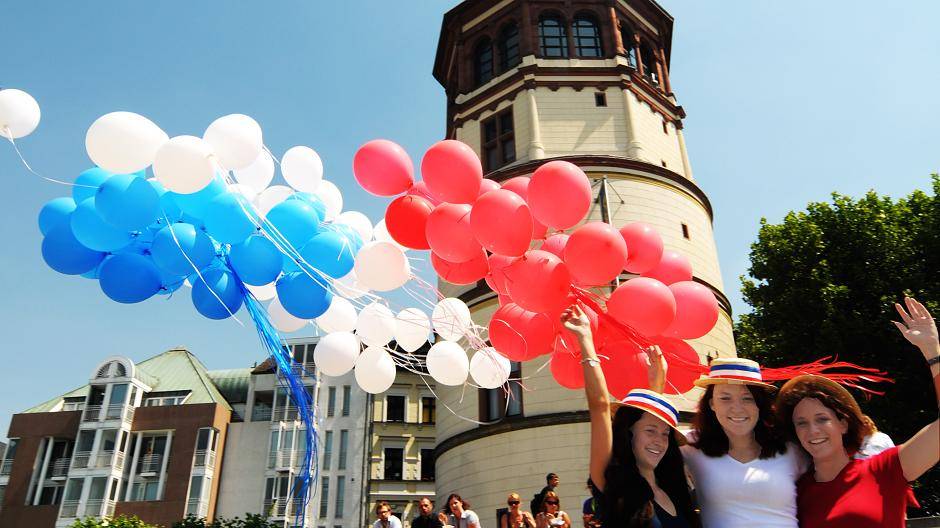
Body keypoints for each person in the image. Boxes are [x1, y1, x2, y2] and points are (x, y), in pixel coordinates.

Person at [775, 296, 939, 528]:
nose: (812, 430)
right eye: (801, 423)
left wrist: (933, 351)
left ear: (843, 423)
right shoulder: (796, 493)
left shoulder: (886, 469)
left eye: (822, 419)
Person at [562, 305, 699, 527]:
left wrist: (657, 386)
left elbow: (649, 419)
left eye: (665, 434)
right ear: (628, 434)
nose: (660, 440)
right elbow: (600, 406)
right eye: (651, 431)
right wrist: (585, 339)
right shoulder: (611, 483)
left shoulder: (674, 489)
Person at [649, 350, 802, 527]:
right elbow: (649, 443)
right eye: (725, 398)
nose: (737, 408)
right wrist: (656, 388)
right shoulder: (692, 445)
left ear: (759, 404)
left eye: (747, 398)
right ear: (712, 403)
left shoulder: (791, 449)